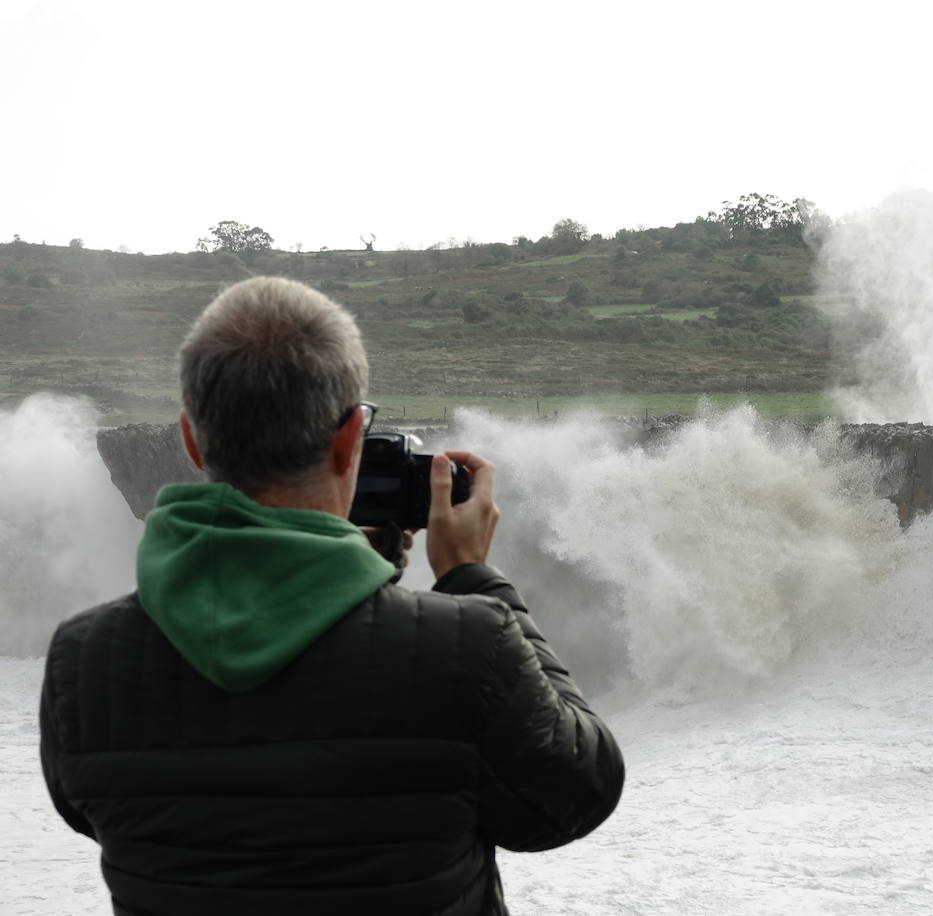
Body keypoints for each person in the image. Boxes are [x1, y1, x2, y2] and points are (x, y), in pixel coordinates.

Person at [40, 276, 623, 916]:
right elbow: (578, 793)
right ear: (349, 438)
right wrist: (470, 576)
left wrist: (353, 578)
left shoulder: (83, 661)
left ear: (190, 440)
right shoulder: (468, 649)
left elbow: (109, 815)